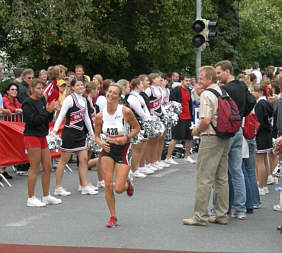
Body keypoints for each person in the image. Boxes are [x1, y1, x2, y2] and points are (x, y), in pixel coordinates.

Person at [183, 66, 231, 226]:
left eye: (201, 78)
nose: (199, 81)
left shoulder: (207, 94)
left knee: (204, 177)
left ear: (209, 79)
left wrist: (196, 131)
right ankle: (221, 214)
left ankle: (200, 216)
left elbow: (205, 120)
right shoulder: (222, 92)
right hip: (224, 136)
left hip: (210, 137)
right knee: (222, 177)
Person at [94, 83, 140, 227]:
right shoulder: (100, 116)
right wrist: (101, 143)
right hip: (108, 148)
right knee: (107, 184)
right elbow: (95, 136)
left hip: (124, 148)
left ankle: (127, 184)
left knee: (119, 189)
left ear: (119, 96)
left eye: (114, 93)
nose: (110, 95)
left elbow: (137, 128)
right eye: (109, 92)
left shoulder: (125, 111)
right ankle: (112, 216)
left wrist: (126, 138)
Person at [52, 78, 98, 196]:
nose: (80, 87)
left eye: (82, 85)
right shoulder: (69, 99)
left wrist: (92, 133)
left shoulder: (83, 99)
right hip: (69, 134)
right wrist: (55, 131)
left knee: (83, 160)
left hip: (80, 134)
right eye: (77, 85)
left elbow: (86, 117)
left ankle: (84, 185)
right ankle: (58, 187)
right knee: (63, 161)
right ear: (72, 87)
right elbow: (61, 115)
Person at [22, 78, 62, 207]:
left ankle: (46, 196)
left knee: (48, 166)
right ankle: (31, 197)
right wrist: (47, 111)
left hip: (42, 136)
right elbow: (32, 121)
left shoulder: (42, 100)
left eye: (41, 88)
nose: (40, 91)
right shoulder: (27, 103)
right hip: (31, 136)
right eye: (38, 88)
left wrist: (52, 111)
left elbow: (46, 119)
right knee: (34, 168)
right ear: (32, 89)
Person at [126, 78, 154, 178]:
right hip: (137, 123)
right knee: (136, 148)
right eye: (141, 84)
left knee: (142, 145)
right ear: (137, 85)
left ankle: (136, 168)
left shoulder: (139, 96)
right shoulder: (132, 97)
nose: (143, 85)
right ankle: (133, 169)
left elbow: (145, 109)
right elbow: (139, 112)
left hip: (143, 122)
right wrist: (148, 119)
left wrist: (149, 119)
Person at [165, 74, 195, 165]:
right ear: (181, 81)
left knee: (189, 138)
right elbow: (171, 103)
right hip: (179, 117)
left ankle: (187, 156)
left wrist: (192, 117)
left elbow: (189, 104)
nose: (188, 82)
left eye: (189, 81)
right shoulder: (177, 90)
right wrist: (174, 116)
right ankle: (168, 157)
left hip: (188, 117)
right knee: (176, 137)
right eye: (186, 81)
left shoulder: (189, 91)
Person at [252, 83, 274, 195]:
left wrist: (254, 132)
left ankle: (261, 186)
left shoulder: (259, 105)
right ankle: (264, 185)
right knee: (264, 160)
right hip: (268, 134)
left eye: (254, 91)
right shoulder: (267, 103)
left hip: (261, 134)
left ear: (260, 92)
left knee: (259, 161)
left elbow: (259, 122)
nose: (253, 93)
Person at [84, 81, 104, 188]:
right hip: (89, 132)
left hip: (93, 130)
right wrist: (92, 132)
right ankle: (84, 183)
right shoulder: (86, 100)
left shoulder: (90, 101)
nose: (97, 91)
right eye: (96, 89)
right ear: (91, 90)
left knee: (99, 155)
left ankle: (100, 181)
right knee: (85, 160)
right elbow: (86, 117)